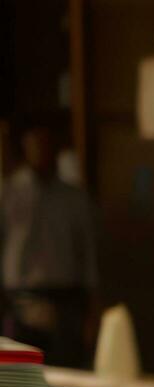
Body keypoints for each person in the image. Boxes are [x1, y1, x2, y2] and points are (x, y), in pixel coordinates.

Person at [1, 125, 99, 366]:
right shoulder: (8, 193)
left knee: (68, 376)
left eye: (48, 146)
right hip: (17, 299)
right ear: (26, 149)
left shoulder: (74, 199)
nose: (42, 152)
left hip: (64, 301)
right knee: (20, 381)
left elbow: (89, 256)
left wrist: (93, 310)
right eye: (36, 146)